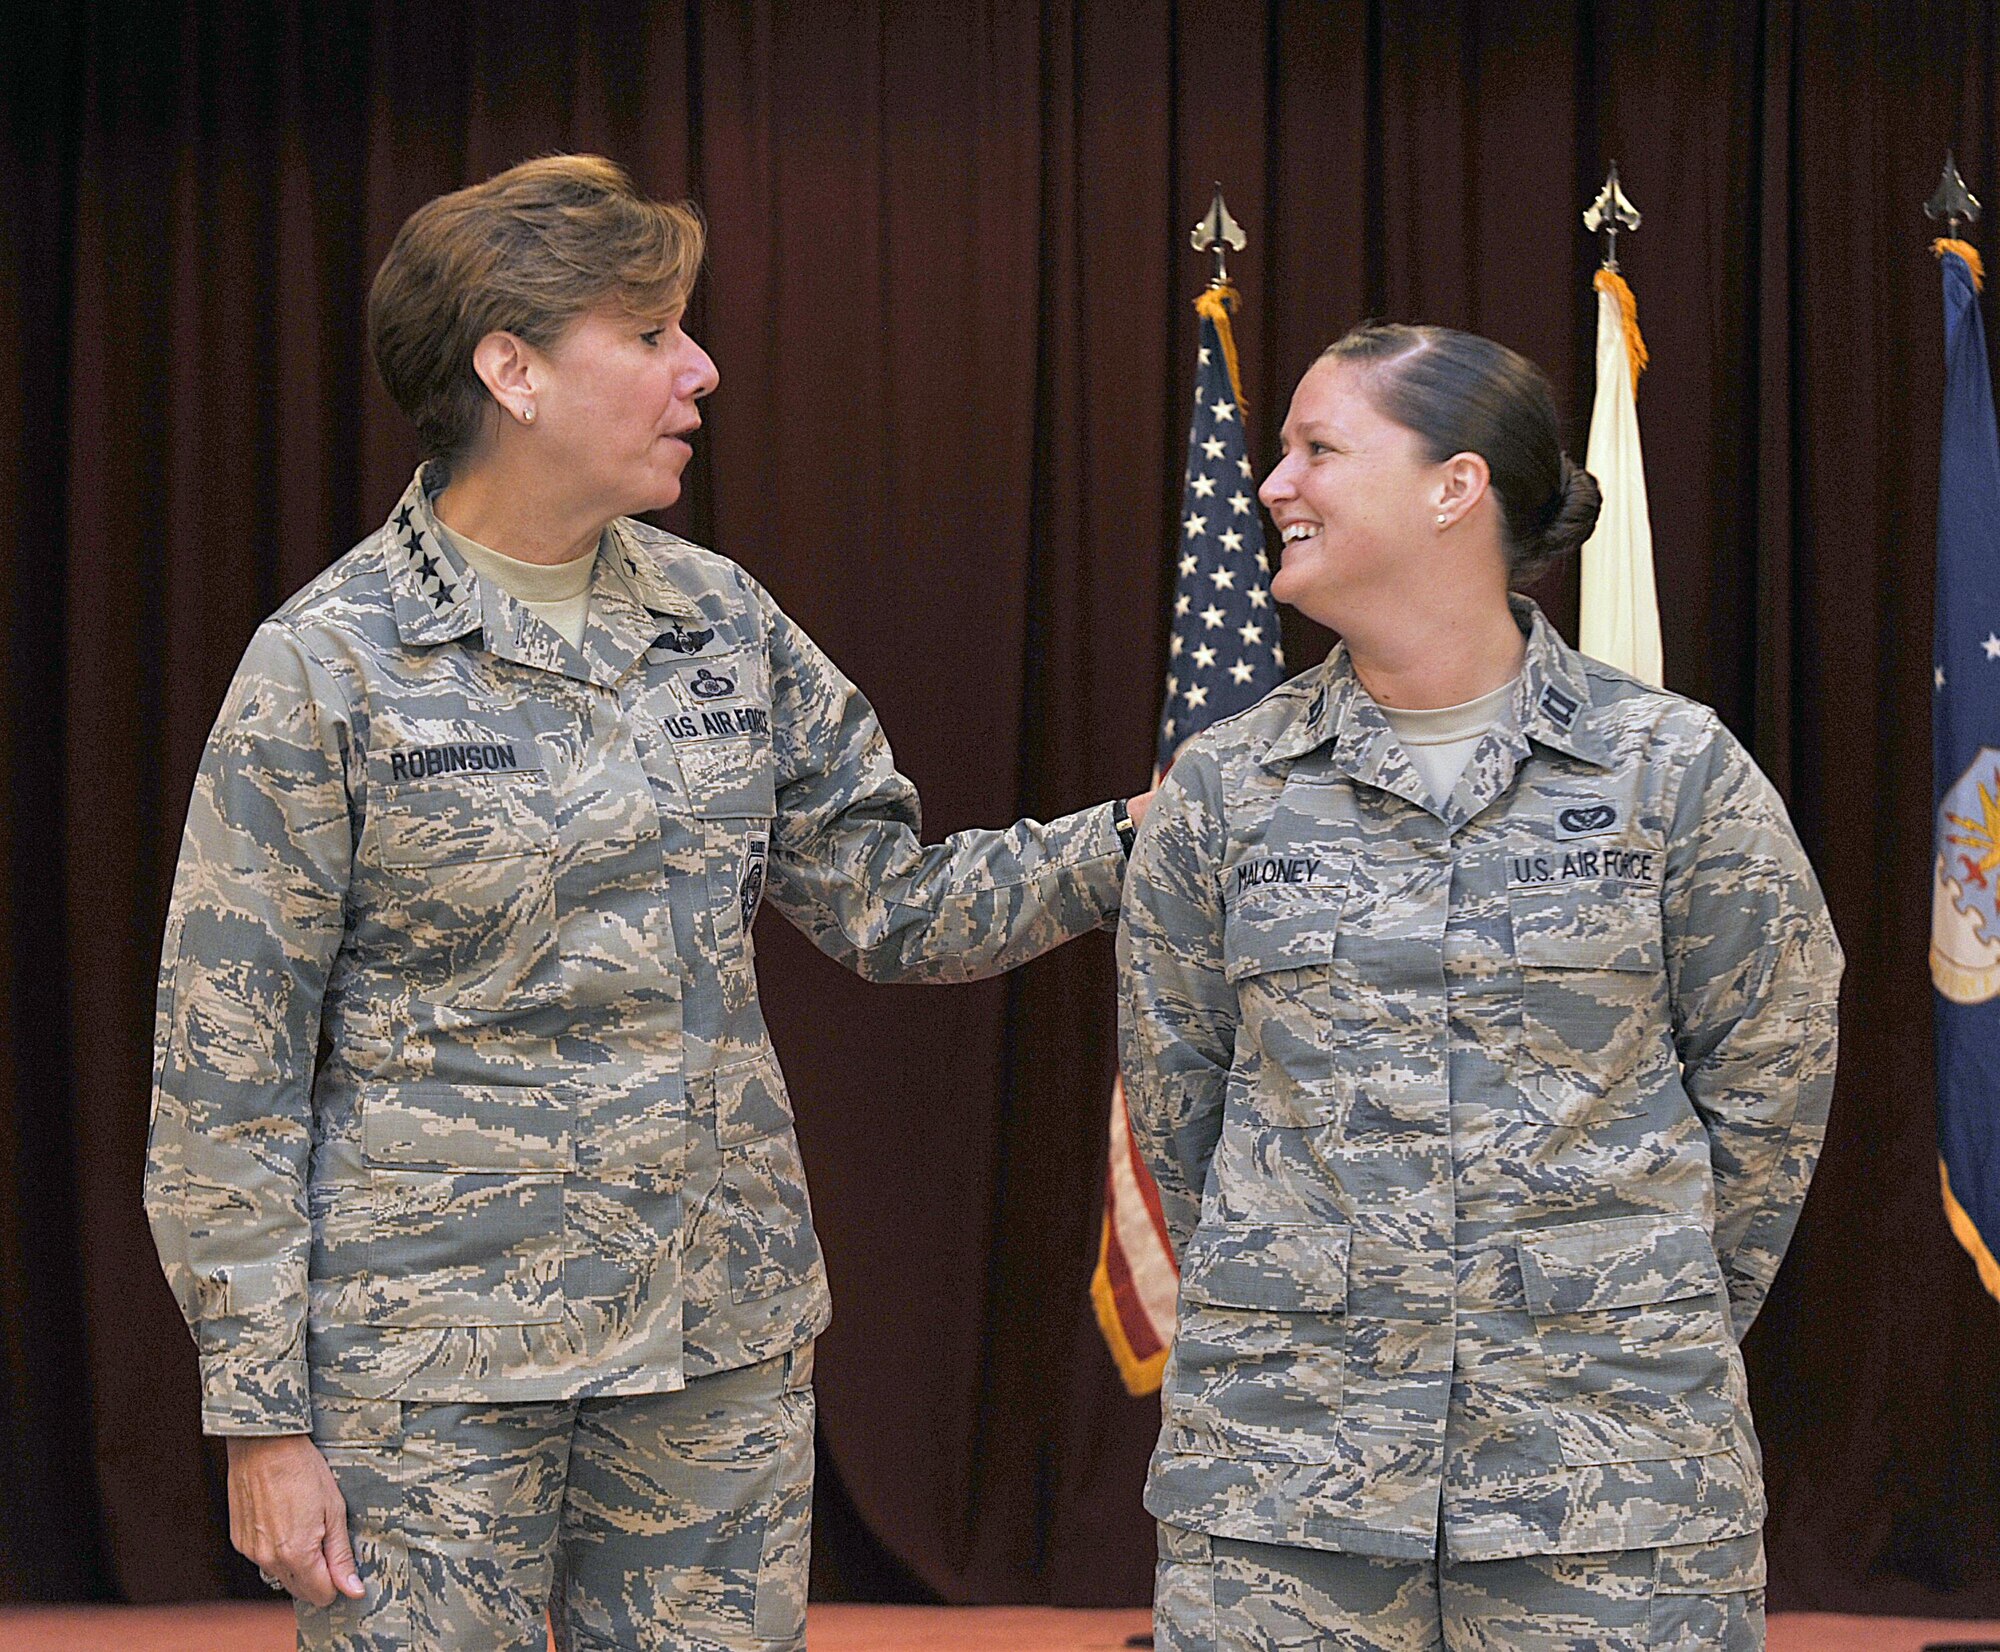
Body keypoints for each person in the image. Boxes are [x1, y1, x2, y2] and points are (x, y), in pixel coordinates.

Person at [144, 154, 1149, 1652]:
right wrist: (261, 1421)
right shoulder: (327, 667)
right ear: (513, 370)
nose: (703, 368)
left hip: (711, 1346)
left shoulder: (716, 621)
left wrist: (1144, 837)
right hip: (434, 1370)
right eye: (655, 332)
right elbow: (227, 1063)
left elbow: (894, 901)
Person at [1117, 322, 1841, 1652]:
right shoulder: (1223, 790)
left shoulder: (1674, 773)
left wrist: (1621, 1303)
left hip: (1610, 1484)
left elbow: (1772, 1086)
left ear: (1456, 487)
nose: (1273, 484)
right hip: (1292, 1490)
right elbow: (1181, 1101)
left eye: (1317, 448)